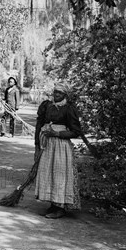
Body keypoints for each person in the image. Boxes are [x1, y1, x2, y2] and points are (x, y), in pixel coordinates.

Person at [34, 82, 82, 219]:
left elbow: (76, 131)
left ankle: (60, 207)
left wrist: (57, 134)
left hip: (61, 146)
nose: (56, 95)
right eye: (55, 92)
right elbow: (39, 123)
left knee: (60, 175)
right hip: (48, 145)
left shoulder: (68, 109)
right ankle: (53, 204)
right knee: (48, 173)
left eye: (59, 93)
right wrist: (37, 144)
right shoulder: (47, 106)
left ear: (65, 95)